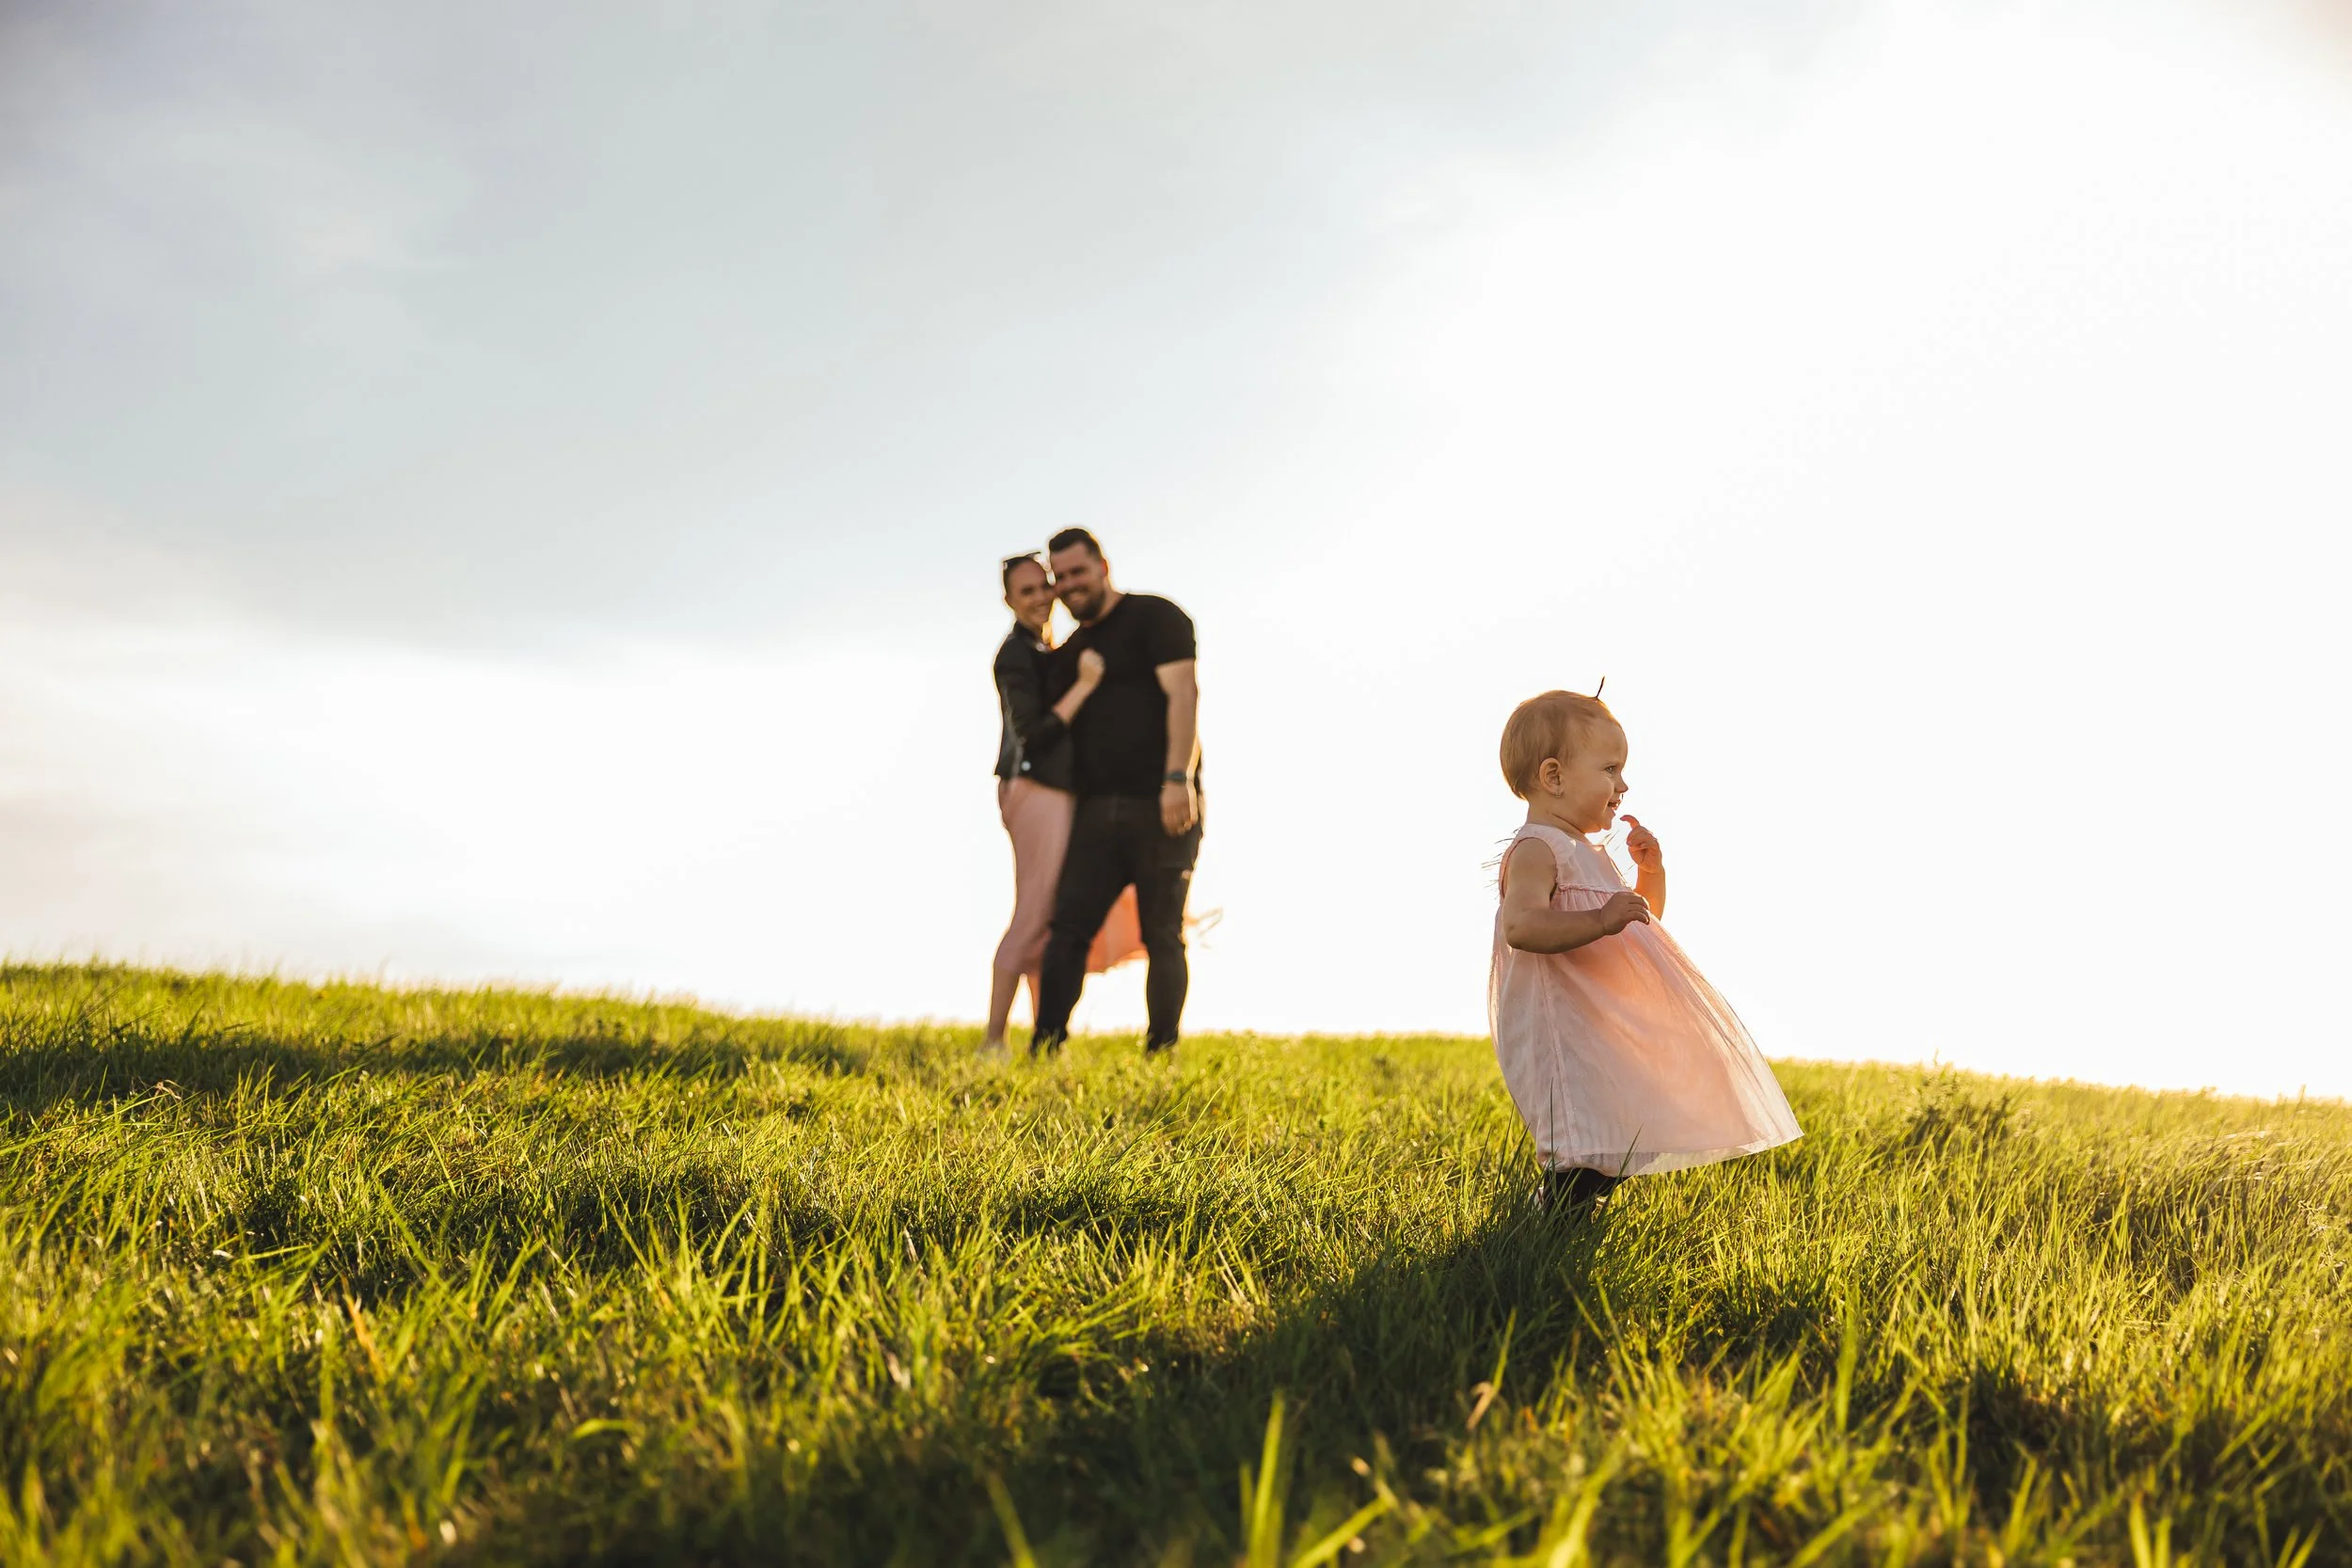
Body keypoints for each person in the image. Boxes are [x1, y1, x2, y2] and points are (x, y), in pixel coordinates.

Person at [1490, 689, 1801, 1210]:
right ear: (1554, 777)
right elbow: (1521, 927)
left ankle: (1569, 1204)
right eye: (1610, 768)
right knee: (1585, 1128)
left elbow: (1640, 920)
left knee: (1623, 1119)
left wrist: (1648, 875)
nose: (1624, 784)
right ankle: (1557, 1211)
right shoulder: (1537, 850)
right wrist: (1598, 918)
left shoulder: (1587, 853)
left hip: (1603, 1017)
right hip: (1563, 1023)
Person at [1028, 529, 1201, 1057]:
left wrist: (1178, 779)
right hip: (1096, 811)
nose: (1069, 586)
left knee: (1163, 933)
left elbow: (1183, 697)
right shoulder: (1072, 653)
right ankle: (1045, 1047)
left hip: (1163, 803)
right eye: (1060, 578)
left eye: (1078, 572)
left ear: (1103, 566)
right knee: (1068, 930)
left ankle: (1161, 1053)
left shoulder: (1158, 618)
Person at [987, 552, 1145, 1051]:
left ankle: (1043, 1035)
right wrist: (1085, 685)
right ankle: (993, 1041)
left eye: (1044, 587)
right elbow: (1033, 734)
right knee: (1033, 915)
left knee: (1048, 918)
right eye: (1026, 591)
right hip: (1033, 790)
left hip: (1053, 794)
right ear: (1009, 600)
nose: (1039, 598)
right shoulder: (1015, 655)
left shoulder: (1043, 647)